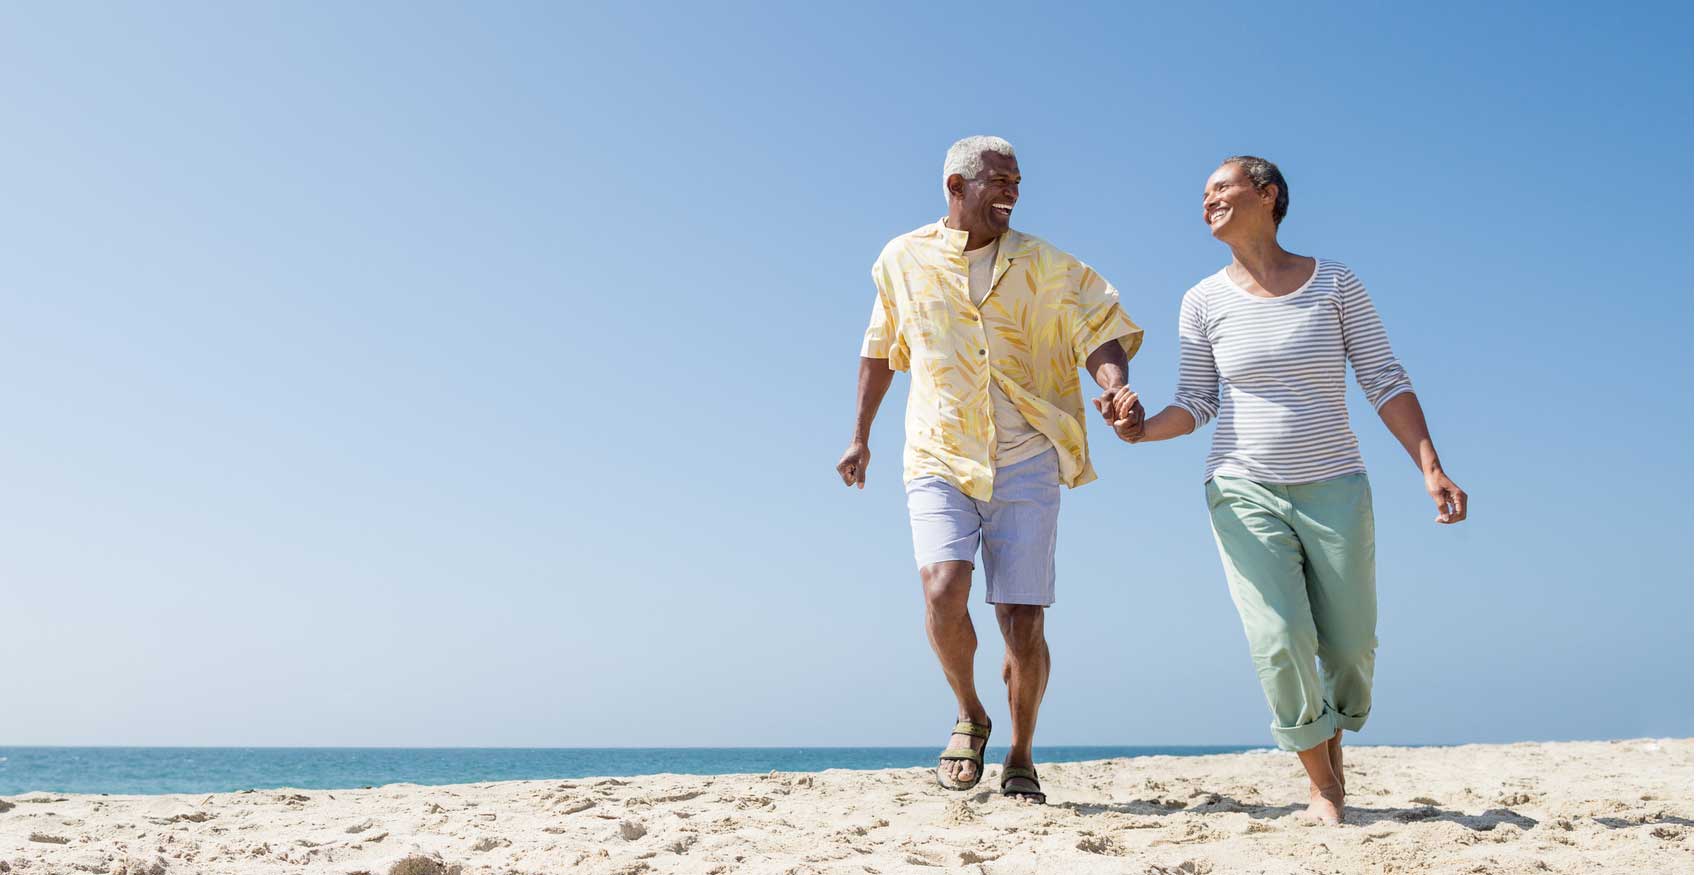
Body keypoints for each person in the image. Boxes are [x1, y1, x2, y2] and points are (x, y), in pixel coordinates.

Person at [1107, 155, 1468, 824]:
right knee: (1279, 637)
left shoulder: (1335, 283)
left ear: (1268, 194)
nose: (1207, 199)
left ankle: (1329, 768)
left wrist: (1430, 465)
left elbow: (1384, 378)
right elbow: (1194, 402)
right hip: (1243, 487)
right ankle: (1323, 788)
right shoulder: (1202, 299)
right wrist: (1138, 430)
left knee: (1350, 644)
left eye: (1222, 187)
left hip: (1336, 483)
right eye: (1204, 193)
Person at [836, 135, 1144, 804]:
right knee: (944, 590)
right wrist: (859, 437)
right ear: (956, 186)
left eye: (1018, 182)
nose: (1012, 192)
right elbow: (878, 350)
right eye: (998, 181)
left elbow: (1099, 327)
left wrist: (1115, 384)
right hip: (938, 451)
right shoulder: (901, 259)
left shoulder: (1048, 264)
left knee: (1021, 619)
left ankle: (1022, 753)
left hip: (1027, 456)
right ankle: (971, 713)